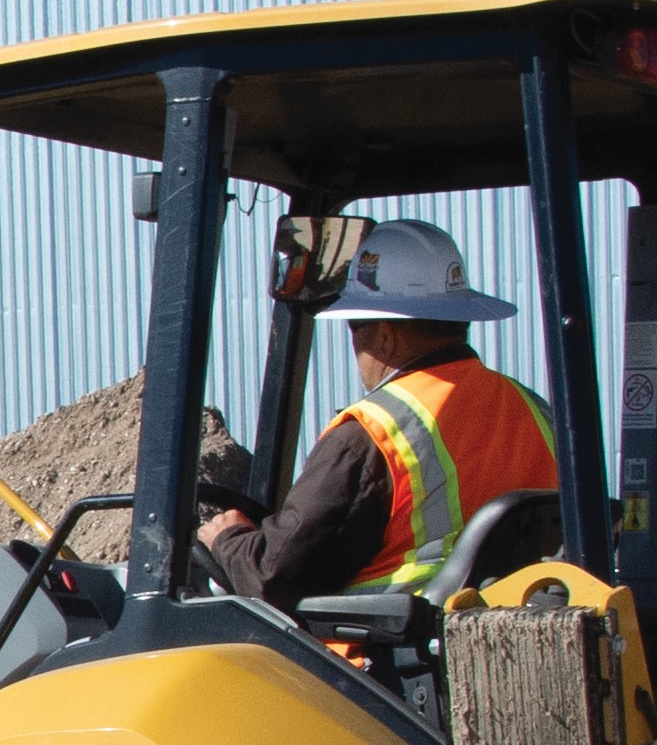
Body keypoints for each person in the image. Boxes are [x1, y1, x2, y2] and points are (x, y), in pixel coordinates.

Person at [198, 216, 562, 600]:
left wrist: (229, 539)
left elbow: (275, 577)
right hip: (495, 634)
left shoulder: (372, 434)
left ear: (387, 338)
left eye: (355, 326)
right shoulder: (536, 411)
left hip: (377, 652)